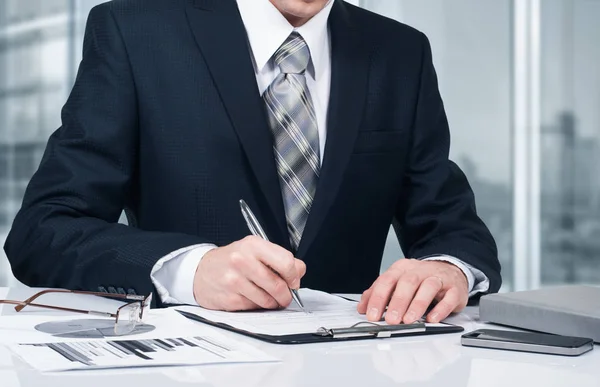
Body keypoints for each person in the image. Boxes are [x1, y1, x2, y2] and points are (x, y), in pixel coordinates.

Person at [4, 0, 501, 325]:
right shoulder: (135, 31)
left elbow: (453, 227)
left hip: (352, 374)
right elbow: (43, 230)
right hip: (189, 379)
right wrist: (190, 270)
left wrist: (445, 268)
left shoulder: (400, 52)